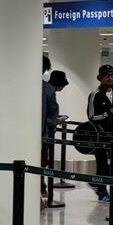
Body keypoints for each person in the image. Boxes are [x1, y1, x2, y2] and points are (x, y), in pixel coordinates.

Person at [88, 64, 113, 202]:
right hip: (100, 134)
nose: (110, 78)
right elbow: (92, 116)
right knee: (102, 163)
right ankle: (102, 191)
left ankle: (97, 180)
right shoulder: (95, 94)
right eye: (106, 75)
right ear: (100, 78)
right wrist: (110, 112)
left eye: (112, 75)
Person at [41, 70, 68, 209]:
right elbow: (50, 118)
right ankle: (42, 188)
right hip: (44, 135)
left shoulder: (37, 86)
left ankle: (41, 187)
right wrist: (59, 120)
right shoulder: (49, 90)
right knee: (42, 162)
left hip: (34, 133)